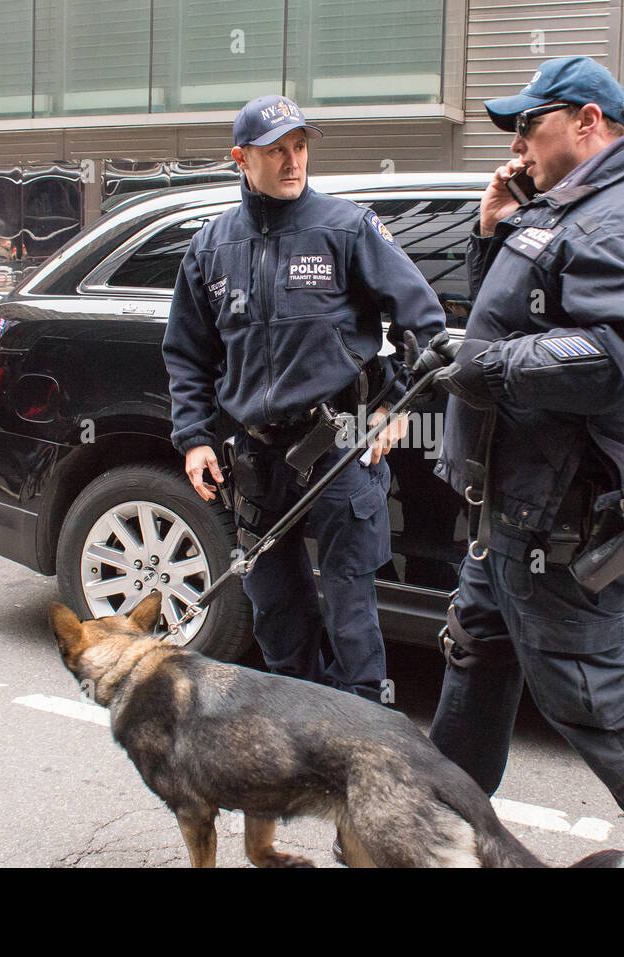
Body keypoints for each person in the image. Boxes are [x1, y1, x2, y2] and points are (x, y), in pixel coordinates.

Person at [421, 56, 624, 866]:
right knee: (478, 657)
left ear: (588, 122)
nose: (519, 144)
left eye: (530, 125)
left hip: (559, 520)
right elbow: (514, 317)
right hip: (512, 510)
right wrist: (495, 232)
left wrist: (485, 366)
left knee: (594, 702)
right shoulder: (563, 210)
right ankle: (428, 839)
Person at [163, 94, 445, 702]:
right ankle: (297, 729)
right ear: (241, 158)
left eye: (300, 147)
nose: (293, 162)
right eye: (275, 151)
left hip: (342, 448)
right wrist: (194, 437)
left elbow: (425, 321)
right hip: (255, 456)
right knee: (275, 604)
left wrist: (398, 408)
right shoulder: (211, 247)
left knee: (349, 603)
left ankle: (361, 731)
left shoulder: (346, 227)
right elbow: (188, 354)